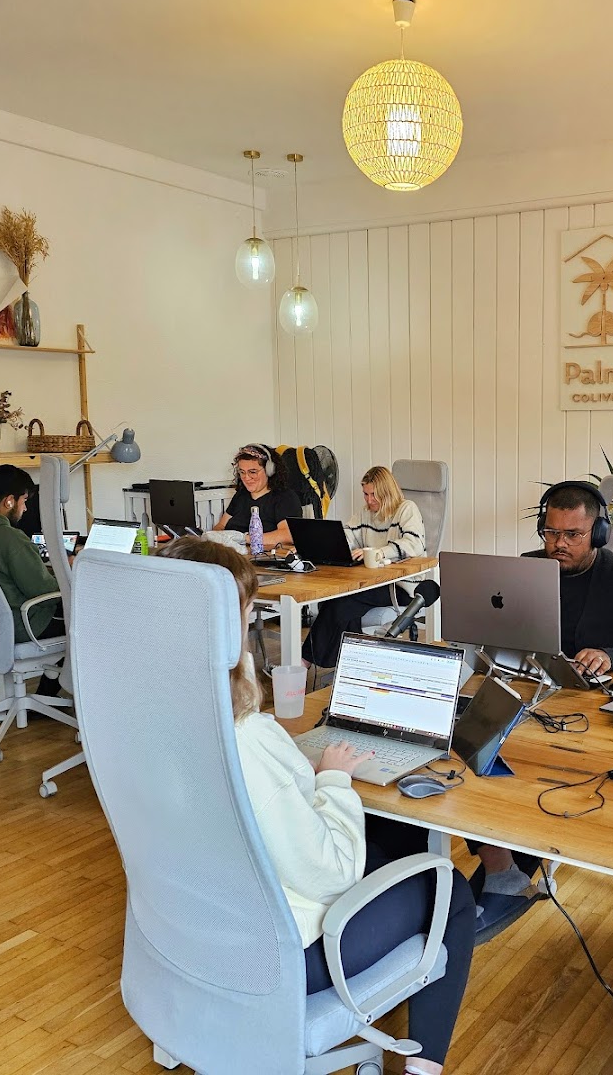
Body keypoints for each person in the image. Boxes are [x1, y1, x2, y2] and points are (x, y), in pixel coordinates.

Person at [159, 537, 475, 1074]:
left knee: (395, 836)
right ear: (221, 627)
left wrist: (302, 773)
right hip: (282, 957)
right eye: (245, 612)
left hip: (194, 931)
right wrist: (332, 778)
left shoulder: (149, 715)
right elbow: (331, 875)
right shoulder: (245, 740)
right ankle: (425, 1067)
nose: (250, 626)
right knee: (452, 890)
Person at [470, 480, 613, 941]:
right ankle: (501, 869)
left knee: (528, 766)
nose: (558, 544)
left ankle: (514, 865)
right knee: (469, 745)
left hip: (599, 714)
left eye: (573, 535)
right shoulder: (524, 571)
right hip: (531, 698)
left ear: (598, 534)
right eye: (551, 532)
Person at [301, 465, 426, 667]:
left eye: (373, 495)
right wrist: (329, 544)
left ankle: (305, 662)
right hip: (373, 582)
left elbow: (414, 544)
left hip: (402, 587)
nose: (369, 500)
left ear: (386, 492)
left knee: (341, 603)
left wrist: (379, 552)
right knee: (336, 600)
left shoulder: (406, 509)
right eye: (366, 494)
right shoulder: (365, 513)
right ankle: (348, 662)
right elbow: (348, 536)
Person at [0, 464, 63, 695]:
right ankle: (51, 696)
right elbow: (44, 592)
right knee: (88, 621)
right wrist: (70, 575)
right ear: (9, 501)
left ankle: (47, 695)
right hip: (23, 624)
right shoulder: (10, 538)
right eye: (24, 501)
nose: (25, 508)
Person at [213, 443, 303, 546]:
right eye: (242, 472)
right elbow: (221, 525)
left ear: (269, 470)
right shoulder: (241, 495)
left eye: (252, 472)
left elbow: (287, 535)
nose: (246, 478)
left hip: (261, 554)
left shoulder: (285, 497)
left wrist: (243, 539)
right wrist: (217, 537)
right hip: (233, 551)